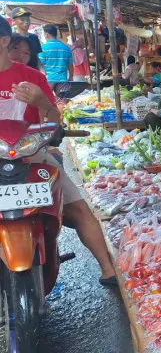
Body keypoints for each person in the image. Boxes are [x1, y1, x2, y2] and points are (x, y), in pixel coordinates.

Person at [0, 17, 117, 285]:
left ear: (4, 40)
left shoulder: (31, 77)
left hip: (29, 156)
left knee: (77, 208)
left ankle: (107, 268)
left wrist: (41, 101)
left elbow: (54, 120)